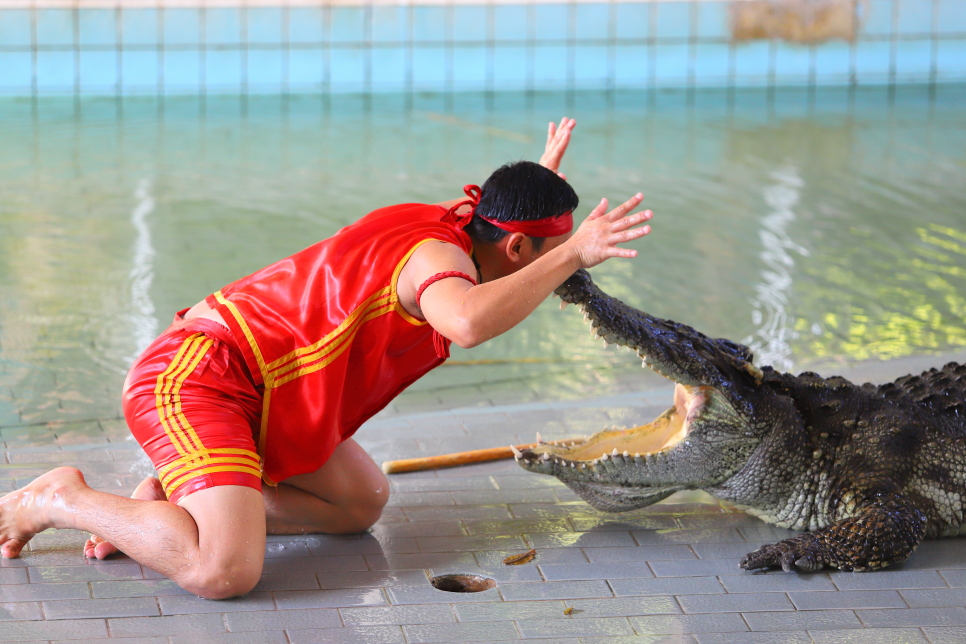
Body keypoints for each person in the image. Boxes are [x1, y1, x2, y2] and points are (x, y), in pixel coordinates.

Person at [0, 118, 653, 599]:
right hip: (198, 376)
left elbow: (507, 245)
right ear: (513, 249)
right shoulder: (441, 261)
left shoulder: (457, 225)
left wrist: (542, 190)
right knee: (225, 570)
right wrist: (573, 252)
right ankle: (61, 498)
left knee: (359, 503)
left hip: (262, 393)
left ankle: (170, 507)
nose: (558, 271)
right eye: (545, 254)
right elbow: (469, 322)